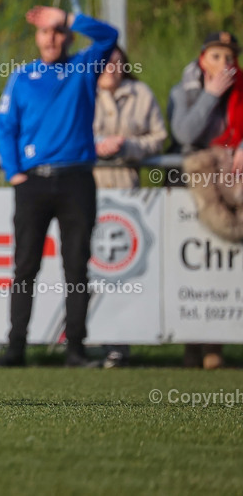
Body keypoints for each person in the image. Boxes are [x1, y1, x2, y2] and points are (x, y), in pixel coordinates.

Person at [0, 6, 118, 368]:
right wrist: (14, 172)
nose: (51, 38)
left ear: (69, 36)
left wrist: (67, 16)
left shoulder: (83, 67)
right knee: (25, 266)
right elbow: (6, 126)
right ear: (37, 37)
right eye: (45, 31)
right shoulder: (22, 76)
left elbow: (109, 36)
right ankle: (16, 349)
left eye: (58, 31)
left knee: (76, 267)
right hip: (33, 183)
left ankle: (75, 349)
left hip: (76, 180)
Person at [167, 30, 241, 370]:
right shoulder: (182, 92)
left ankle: (215, 344)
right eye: (216, 56)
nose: (224, 63)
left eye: (229, 57)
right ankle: (190, 343)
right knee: (191, 267)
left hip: (230, 183)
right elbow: (185, 133)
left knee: (222, 264)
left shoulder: (241, 92)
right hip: (191, 186)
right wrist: (211, 96)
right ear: (202, 60)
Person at [92, 46, 167, 367]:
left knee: (121, 272)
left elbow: (159, 137)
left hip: (127, 191)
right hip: (86, 188)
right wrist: (95, 146)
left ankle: (118, 343)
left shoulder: (141, 94)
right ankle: (79, 341)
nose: (112, 67)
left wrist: (128, 146)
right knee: (84, 268)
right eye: (106, 62)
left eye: (118, 62)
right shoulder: (81, 92)